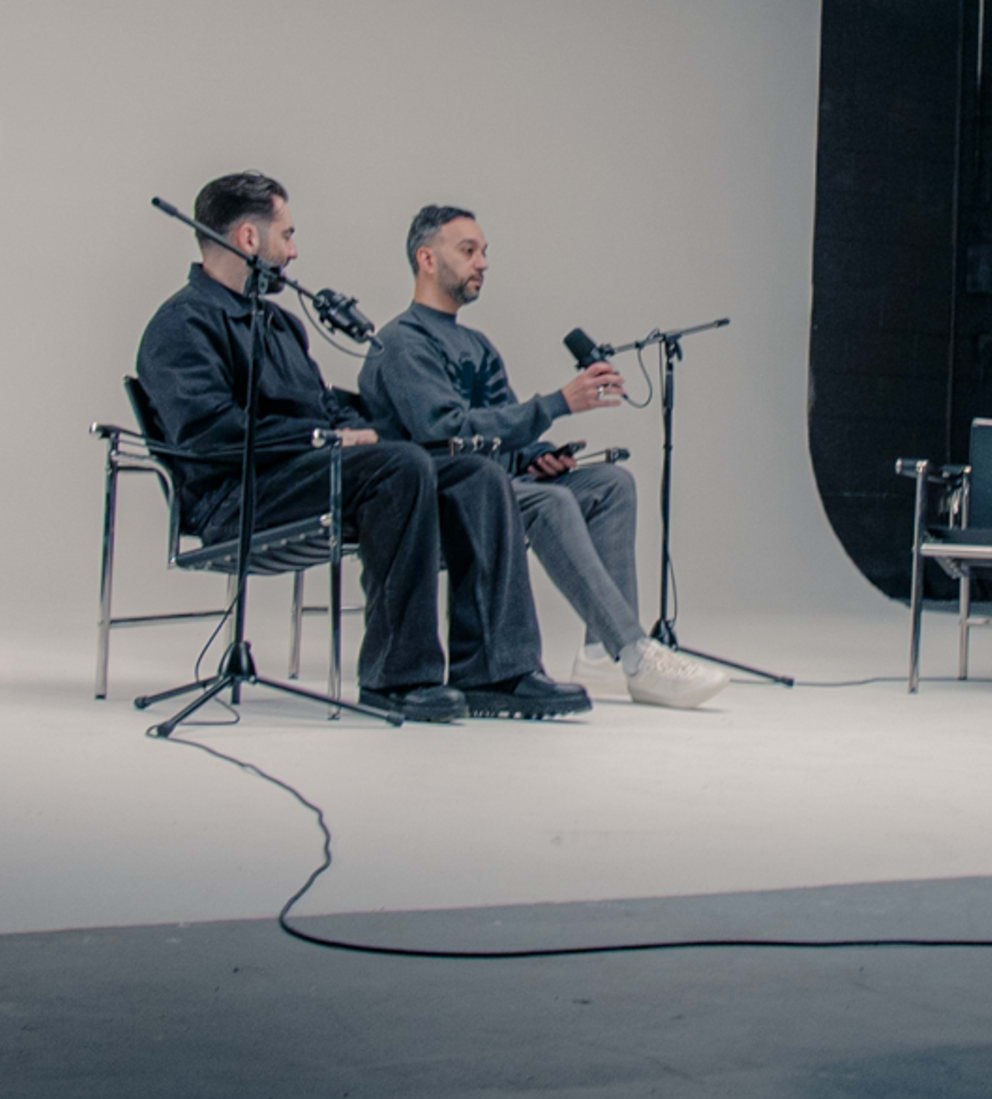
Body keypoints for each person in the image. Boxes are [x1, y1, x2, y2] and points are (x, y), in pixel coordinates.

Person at [134, 172, 586, 723]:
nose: (294, 251)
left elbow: (320, 404)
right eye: (287, 235)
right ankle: (397, 678)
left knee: (473, 474)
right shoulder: (181, 322)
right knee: (397, 469)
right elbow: (209, 432)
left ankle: (497, 671)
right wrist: (324, 438)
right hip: (238, 495)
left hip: (305, 472)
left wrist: (372, 427)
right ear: (250, 240)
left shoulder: (279, 324)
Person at [359, 205, 728, 710]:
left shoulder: (477, 345)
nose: (482, 262)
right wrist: (556, 404)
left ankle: (600, 654)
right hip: (435, 500)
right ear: (426, 258)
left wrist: (536, 457)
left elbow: (501, 425)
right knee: (549, 504)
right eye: (468, 251)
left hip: (493, 485)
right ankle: (637, 655)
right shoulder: (401, 341)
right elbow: (444, 432)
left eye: (485, 252)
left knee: (610, 485)